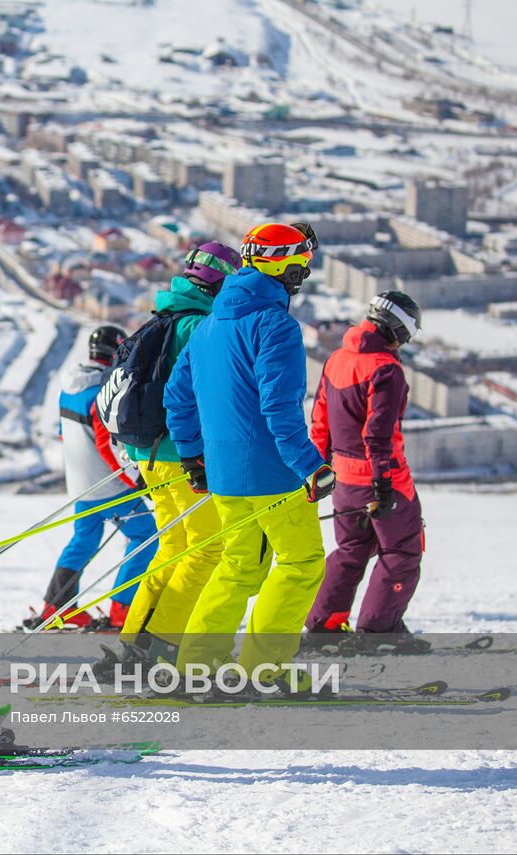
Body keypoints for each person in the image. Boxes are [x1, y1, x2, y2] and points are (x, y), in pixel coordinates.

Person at [166, 222, 335, 694]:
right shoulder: (276, 324)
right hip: (272, 472)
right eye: (302, 262)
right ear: (283, 265)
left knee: (240, 566)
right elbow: (278, 407)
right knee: (301, 562)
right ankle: (267, 670)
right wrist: (310, 465)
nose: (304, 271)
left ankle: (196, 666)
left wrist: (193, 459)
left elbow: (178, 399)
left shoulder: (207, 328)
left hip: (222, 475)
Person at [103, 242, 249, 673]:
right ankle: (163, 643)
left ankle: (136, 640)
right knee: (208, 548)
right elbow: (205, 396)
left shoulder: (162, 318)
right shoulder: (199, 327)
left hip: (148, 453)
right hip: (180, 452)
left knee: (175, 546)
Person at [305, 291, 428, 652]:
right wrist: (384, 486)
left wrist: (319, 470)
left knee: (351, 549)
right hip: (382, 477)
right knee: (403, 551)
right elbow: (379, 435)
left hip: (343, 476)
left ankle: (324, 625)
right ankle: (379, 632)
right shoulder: (386, 368)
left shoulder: (338, 359)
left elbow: (320, 422)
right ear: (400, 330)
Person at [35, 324, 158, 630]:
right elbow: (107, 444)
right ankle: (123, 608)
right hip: (109, 485)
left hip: (80, 485)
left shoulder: (69, 387)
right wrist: (138, 481)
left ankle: (56, 606)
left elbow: (65, 434)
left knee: (84, 538)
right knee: (146, 535)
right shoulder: (102, 389)